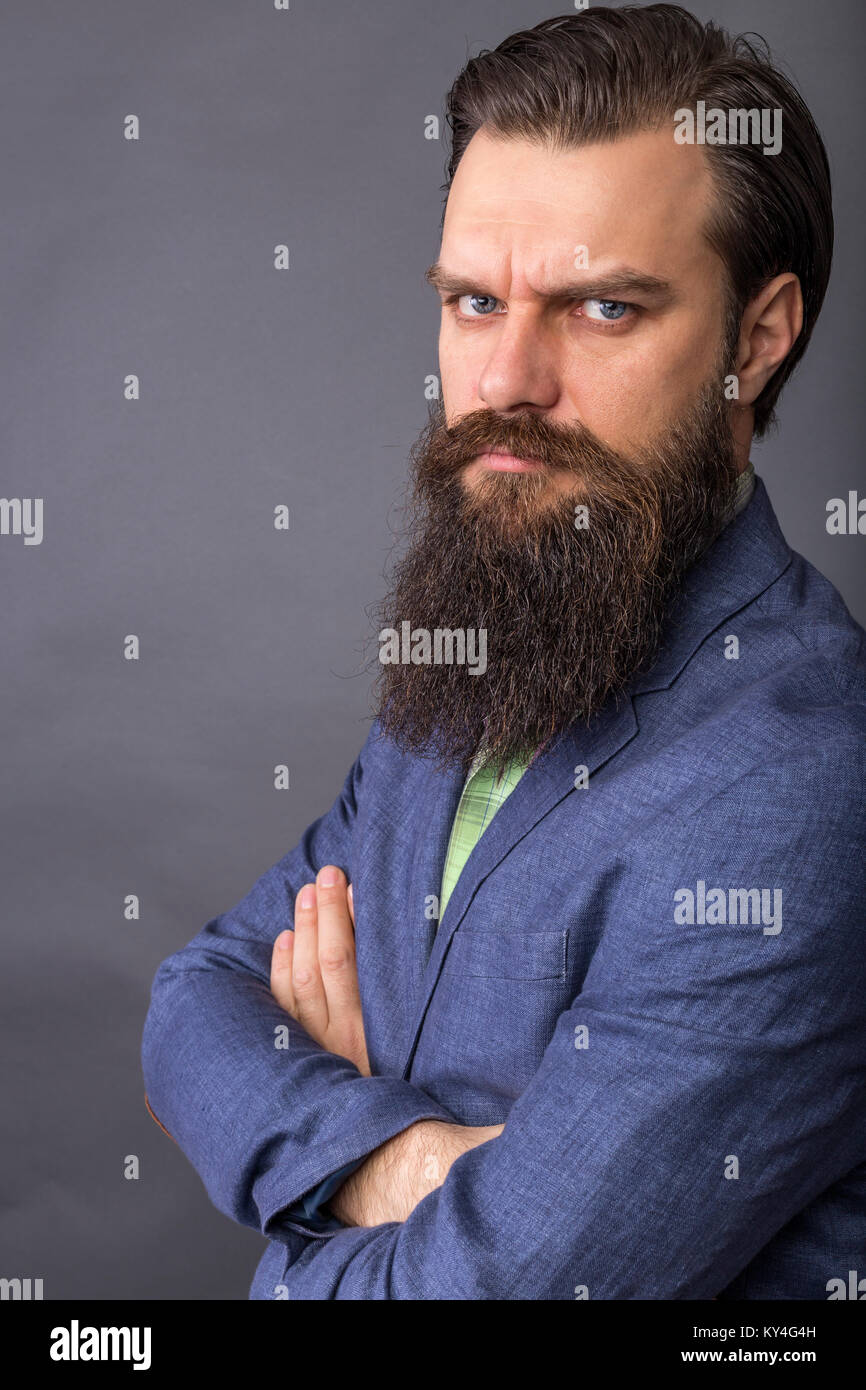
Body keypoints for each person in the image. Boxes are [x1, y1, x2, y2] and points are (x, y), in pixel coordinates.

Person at [142, 5, 866, 1299]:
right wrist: (405, 1158)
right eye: (474, 300)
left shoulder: (800, 794)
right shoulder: (476, 656)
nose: (504, 378)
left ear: (755, 339)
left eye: (600, 306)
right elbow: (194, 999)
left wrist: (299, 1209)